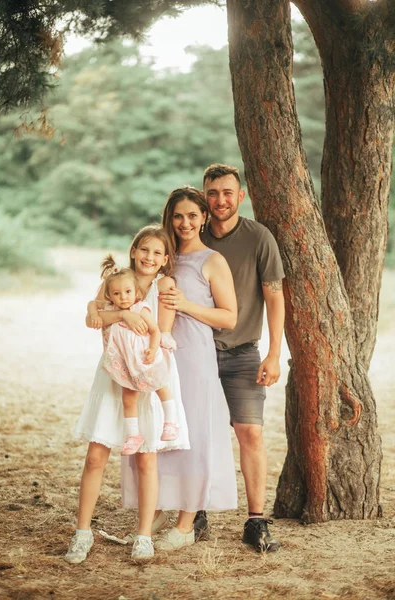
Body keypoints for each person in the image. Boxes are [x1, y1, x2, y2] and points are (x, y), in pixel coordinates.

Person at [162, 165, 285, 553]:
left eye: (227, 193)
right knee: (193, 432)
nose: (220, 200)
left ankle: (255, 520)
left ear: (240, 196)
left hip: (242, 352)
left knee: (249, 432)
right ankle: (194, 511)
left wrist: (274, 353)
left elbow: (275, 296)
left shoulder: (257, 237)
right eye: (212, 193)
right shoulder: (185, 237)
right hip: (192, 352)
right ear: (203, 196)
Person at [121, 187, 238, 551]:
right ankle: (155, 509)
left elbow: (229, 317)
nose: (185, 223)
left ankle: (186, 522)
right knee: (155, 431)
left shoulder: (212, 261)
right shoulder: (159, 258)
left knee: (192, 433)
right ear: (168, 218)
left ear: (204, 218)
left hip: (194, 356)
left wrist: (186, 305)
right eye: (178, 216)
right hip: (152, 357)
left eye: (192, 215)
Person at [65, 225, 189, 564]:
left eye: (156, 253)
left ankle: (144, 535)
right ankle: (82, 532)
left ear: (165, 260)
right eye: (143, 250)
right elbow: (94, 318)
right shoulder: (115, 281)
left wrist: (124, 320)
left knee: (146, 457)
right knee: (95, 456)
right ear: (134, 250)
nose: (149, 257)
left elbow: (161, 330)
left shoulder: (164, 285)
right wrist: (117, 313)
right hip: (114, 373)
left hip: (149, 370)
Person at [93, 254, 180, 455]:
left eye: (127, 291)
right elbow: (93, 308)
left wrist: (153, 347)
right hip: (126, 362)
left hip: (145, 357)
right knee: (128, 397)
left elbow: (155, 330)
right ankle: (133, 435)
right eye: (116, 293)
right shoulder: (111, 310)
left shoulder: (141, 308)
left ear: (136, 292)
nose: (123, 297)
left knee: (161, 386)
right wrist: (94, 309)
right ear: (110, 296)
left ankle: (171, 421)